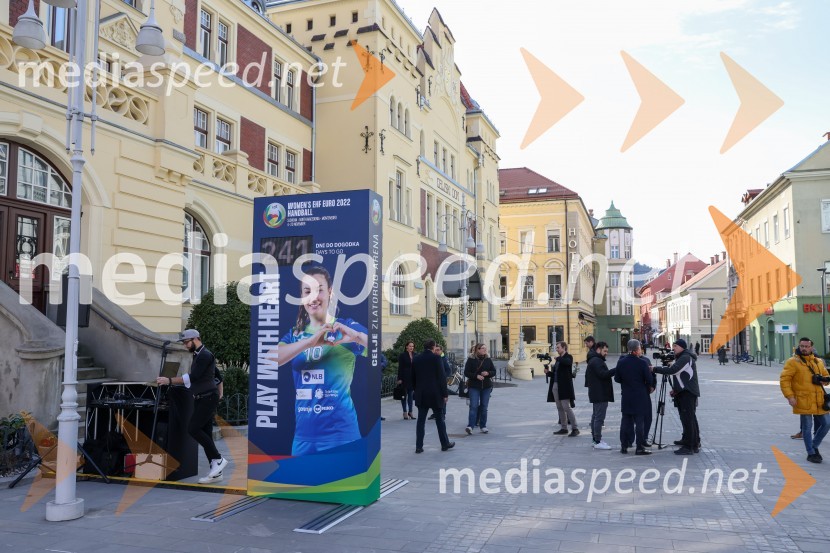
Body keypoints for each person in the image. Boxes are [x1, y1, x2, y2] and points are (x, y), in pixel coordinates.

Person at [274, 265, 369, 455]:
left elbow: (377, 346)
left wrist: (356, 336)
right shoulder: (295, 334)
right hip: (303, 437)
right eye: (307, 291)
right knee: (302, 476)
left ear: (330, 292)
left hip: (341, 435)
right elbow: (272, 358)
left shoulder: (344, 327)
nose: (314, 297)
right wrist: (309, 342)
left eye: (319, 290)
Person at [157, 329, 228, 484]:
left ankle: (218, 459)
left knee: (193, 429)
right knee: (206, 433)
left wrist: (169, 380)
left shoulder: (204, 355)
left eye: (186, 342)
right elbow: (217, 375)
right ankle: (216, 472)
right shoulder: (199, 355)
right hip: (203, 398)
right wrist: (220, 393)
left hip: (207, 398)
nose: (185, 345)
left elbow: (193, 377)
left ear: (195, 339)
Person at [780, 337, 830, 463]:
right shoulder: (792, 362)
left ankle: (814, 445)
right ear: (799, 346)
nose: (804, 348)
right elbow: (784, 380)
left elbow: (826, 376)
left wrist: (824, 380)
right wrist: (790, 396)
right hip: (803, 400)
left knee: (827, 424)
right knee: (807, 427)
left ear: (811, 347)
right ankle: (811, 453)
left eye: (807, 346)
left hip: (819, 399)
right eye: (802, 346)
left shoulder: (818, 361)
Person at [653, 339, 701, 455]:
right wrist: (676, 389)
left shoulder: (685, 357)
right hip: (684, 391)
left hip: (688, 393)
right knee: (688, 418)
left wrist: (654, 369)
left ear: (682, 347)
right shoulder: (682, 357)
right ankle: (691, 440)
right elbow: (681, 376)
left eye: (675, 346)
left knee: (688, 418)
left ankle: (689, 446)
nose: (673, 348)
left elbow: (674, 370)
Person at [412, 340, 454, 453]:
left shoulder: (416, 358)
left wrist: (416, 390)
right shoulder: (436, 358)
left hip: (421, 393)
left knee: (421, 421)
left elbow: (413, 377)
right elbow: (441, 377)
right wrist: (445, 394)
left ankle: (419, 446)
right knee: (440, 420)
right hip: (435, 394)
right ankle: (445, 444)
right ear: (433, 347)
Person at [614, 340, 653, 455]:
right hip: (640, 396)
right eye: (640, 348)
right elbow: (649, 379)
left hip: (626, 395)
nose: (641, 350)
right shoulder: (642, 363)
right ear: (636, 350)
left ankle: (624, 446)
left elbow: (617, 378)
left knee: (625, 421)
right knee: (639, 422)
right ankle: (639, 447)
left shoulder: (621, 362)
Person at [584, 341, 615, 449]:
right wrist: (616, 369)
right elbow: (603, 374)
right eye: (604, 351)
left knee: (596, 416)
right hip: (600, 393)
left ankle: (595, 439)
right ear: (598, 349)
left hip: (597, 392)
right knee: (599, 418)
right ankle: (597, 441)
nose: (606, 353)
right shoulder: (596, 361)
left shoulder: (594, 359)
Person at [547, 341, 578, 437]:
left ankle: (575, 428)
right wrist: (548, 373)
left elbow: (567, 363)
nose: (557, 349)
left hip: (564, 386)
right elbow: (556, 374)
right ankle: (564, 428)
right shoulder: (559, 360)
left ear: (564, 347)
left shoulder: (568, 357)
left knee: (566, 407)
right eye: (556, 348)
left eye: (558, 347)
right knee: (559, 407)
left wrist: (559, 358)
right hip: (556, 385)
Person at [464, 343, 496, 434]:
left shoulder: (488, 359)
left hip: (486, 387)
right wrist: (476, 376)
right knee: (473, 406)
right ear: (477, 349)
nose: (485, 350)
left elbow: (494, 371)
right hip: (474, 386)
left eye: (485, 348)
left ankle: (483, 426)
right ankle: (470, 426)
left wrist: (488, 373)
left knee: (484, 407)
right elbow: (466, 372)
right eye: (482, 348)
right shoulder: (471, 359)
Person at [429, 344, 452, 420]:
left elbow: (448, 370)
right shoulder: (432, 358)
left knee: (442, 398)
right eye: (435, 350)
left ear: (441, 351)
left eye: (438, 350)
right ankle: (435, 413)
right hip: (433, 382)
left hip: (441, 382)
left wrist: (443, 376)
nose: (436, 351)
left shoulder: (444, 359)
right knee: (433, 398)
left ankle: (443, 413)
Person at [397, 341, 416, 420]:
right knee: (403, 395)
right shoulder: (402, 355)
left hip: (412, 378)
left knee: (411, 395)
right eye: (410, 346)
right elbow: (400, 367)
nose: (411, 347)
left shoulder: (415, 355)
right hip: (404, 378)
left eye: (412, 346)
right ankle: (405, 412)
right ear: (406, 347)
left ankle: (410, 412)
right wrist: (399, 378)